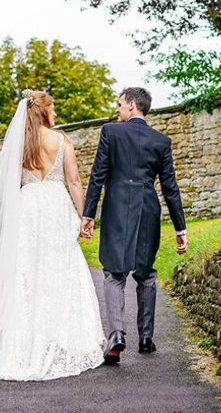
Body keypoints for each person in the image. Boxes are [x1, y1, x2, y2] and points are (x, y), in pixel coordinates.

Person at [0, 90, 104, 380]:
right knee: (60, 268)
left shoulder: (18, 143)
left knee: (25, 271)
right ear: (44, 110)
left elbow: (5, 188)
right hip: (55, 207)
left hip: (26, 208)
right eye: (53, 109)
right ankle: (63, 337)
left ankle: (23, 341)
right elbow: (74, 181)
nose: (56, 114)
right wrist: (86, 216)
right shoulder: (61, 140)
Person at [81, 87, 188, 365]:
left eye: (119, 104)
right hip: (148, 207)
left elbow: (97, 176)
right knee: (146, 273)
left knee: (115, 273)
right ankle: (146, 338)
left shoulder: (110, 133)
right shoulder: (161, 141)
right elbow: (170, 188)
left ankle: (117, 335)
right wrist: (180, 228)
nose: (116, 110)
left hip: (117, 205)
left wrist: (88, 214)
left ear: (131, 105)